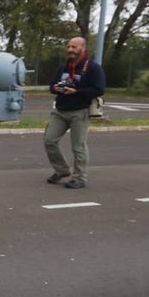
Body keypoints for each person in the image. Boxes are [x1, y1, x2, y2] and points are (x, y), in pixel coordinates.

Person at [44, 36, 106, 189]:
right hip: (60, 110)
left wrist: (76, 91)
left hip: (80, 112)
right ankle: (62, 170)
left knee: (78, 147)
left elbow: (99, 89)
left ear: (83, 48)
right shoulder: (63, 67)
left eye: (74, 47)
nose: (70, 50)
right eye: (68, 47)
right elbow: (52, 85)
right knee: (49, 141)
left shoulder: (93, 68)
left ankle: (79, 178)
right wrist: (56, 88)